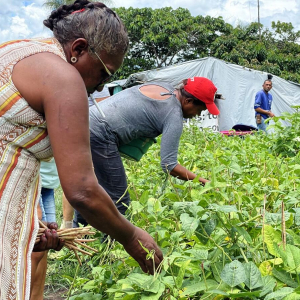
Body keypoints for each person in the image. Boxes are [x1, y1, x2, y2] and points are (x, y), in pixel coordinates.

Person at [0, 1, 162, 300]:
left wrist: (30, 221)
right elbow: (82, 191)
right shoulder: (63, 75)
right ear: (78, 48)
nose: (101, 87)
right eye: (103, 73)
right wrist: (131, 236)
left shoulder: (17, 48)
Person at [61, 77, 220, 228]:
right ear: (188, 101)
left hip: (85, 122)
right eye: (200, 110)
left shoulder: (164, 87)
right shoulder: (173, 114)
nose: (197, 115)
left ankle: (80, 236)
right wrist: (205, 182)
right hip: (100, 134)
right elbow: (169, 165)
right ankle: (112, 250)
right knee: (120, 201)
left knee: (88, 189)